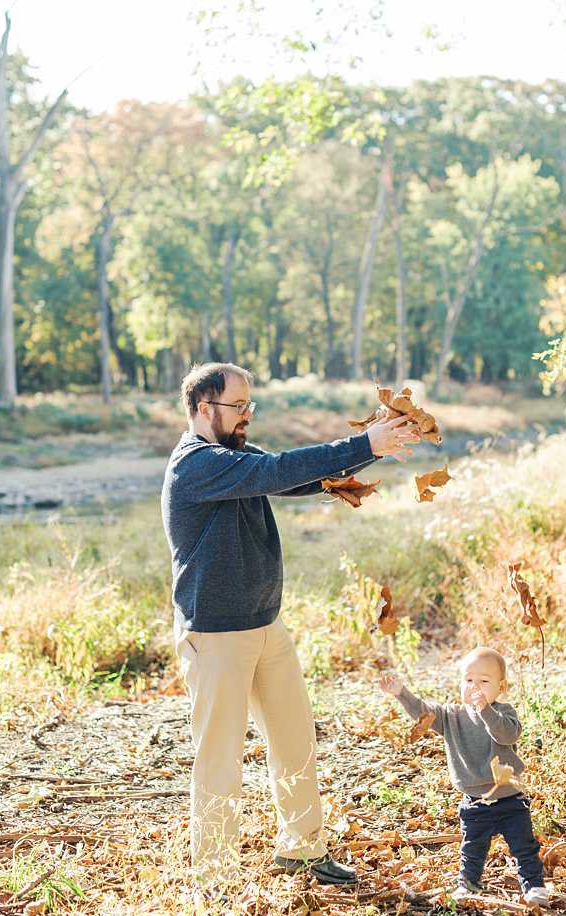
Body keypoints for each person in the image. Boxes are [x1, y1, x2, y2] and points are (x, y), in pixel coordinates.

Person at [161, 362, 421, 889]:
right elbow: (272, 472)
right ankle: (214, 877)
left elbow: (286, 475)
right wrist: (364, 444)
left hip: (265, 625)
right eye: (238, 407)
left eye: (250, 406)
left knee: (295, 740)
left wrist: (350, 469)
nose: (247, 417)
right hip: (214, 636)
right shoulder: (196, 465)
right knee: (220, 759)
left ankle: (302, 852)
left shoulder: (233, 456)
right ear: (203, 408)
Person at [379, 649, 552, 905]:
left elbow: (505, 736)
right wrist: (401, 693)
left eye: (484, 681)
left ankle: (534, 887)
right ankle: (469, 886)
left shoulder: (504, 713)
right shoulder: (452, 716)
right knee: (472, 849)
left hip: (510, 800)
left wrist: (485, 710)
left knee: (524, 847)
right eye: (469, 680)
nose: (475, 687)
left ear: (501, 686)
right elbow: (423, 712)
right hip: (474, 801)